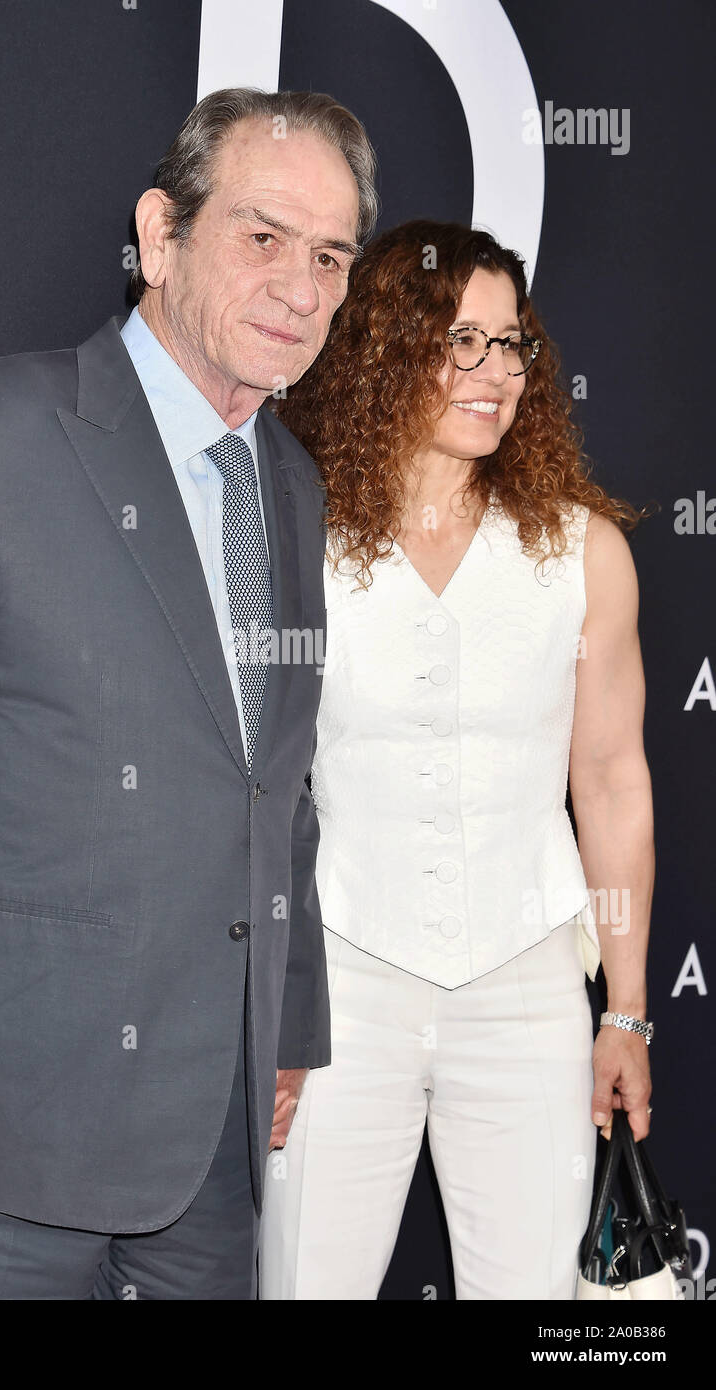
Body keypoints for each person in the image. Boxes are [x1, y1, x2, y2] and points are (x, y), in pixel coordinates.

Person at [0, 87, 377, 1300]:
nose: (301, 286)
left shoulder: (292, 483)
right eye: (262, 236)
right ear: (159, 233)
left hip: (217, 1151)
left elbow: (275, 785)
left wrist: (288, 1028)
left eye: (331, 256)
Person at [259, 219, 655, 1300]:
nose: (497, 373)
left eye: (511, 343)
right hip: (340, 989)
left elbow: (612, 779)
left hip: (527, 985)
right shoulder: (298, 541)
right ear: (386, 350)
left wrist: (625, 1012)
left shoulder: (583, 554)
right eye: (460, 342)